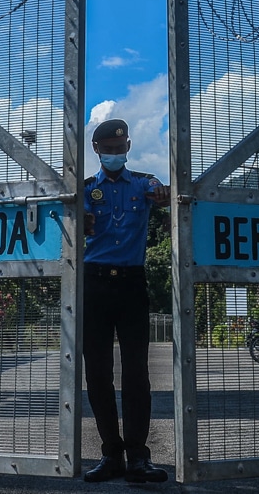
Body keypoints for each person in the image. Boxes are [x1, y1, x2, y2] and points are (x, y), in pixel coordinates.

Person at [80, 118, 171, 484]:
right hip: (94, 285)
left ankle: (138, 457)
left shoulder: (144, 184)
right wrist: (79, 220)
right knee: (98, 373)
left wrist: (162, 192)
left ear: (128, 147)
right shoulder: (86, 188)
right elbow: (74, 220)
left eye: (120, 149)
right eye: (108, 149)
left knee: (137, 372)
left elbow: (161, 192)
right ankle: (110, 454)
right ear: (97, 150)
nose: (115, 154)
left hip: (132, 284)